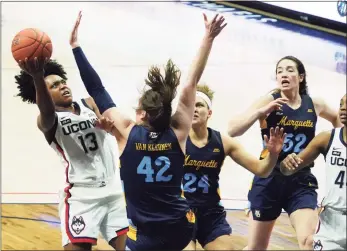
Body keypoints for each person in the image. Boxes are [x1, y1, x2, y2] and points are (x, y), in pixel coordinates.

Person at [72, 12, 227, 250]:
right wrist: (208, 37)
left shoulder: (127, 131)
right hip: (180, 227)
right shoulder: (177, 132)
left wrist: (75, 46)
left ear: (142, 114)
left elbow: (96, 88)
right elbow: (190, 83)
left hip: (146, 232)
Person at [14, 12, 128, 251]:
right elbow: (45, 108)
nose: (62, 85)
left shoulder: (90, 105)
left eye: (62, 81)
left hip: (113, 190)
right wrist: (36, 77)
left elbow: (98, 88)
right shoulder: (48, 121)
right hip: (81, 196)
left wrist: (76, 47)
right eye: (53, 86)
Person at [227, 56, 342, 250]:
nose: (283, 74)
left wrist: (337, 145)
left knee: (309, 242)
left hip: (300, 181)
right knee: (256, 247)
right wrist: (260, 112)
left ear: (301, 76)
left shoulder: (314, 104)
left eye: (289, 70)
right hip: (269, 179)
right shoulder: (269, 100)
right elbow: (232, 129)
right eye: (279, 71)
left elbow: (339, 120)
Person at [183, 84, 286, 250]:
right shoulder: (176, 140)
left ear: (209, 113)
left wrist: (273, 154)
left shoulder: (223, 142)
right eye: (191, 105)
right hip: (181, 212)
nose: (194, 109)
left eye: (199, 105)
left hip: (211, 214)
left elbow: (262, 170)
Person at [280, 94, 346, 251]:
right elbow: (288, 169)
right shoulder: (327, 138)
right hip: (332, 223)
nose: (343, 108)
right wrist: (285, 162)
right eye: (341, 104)